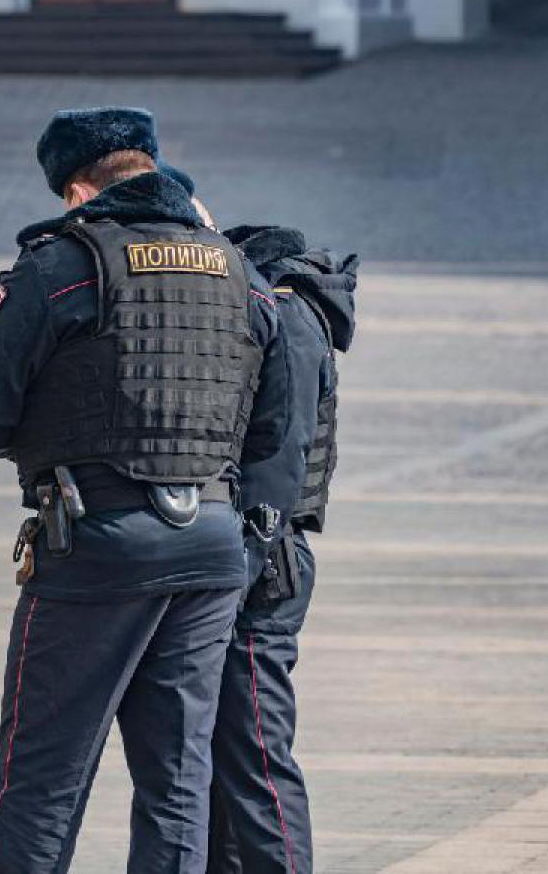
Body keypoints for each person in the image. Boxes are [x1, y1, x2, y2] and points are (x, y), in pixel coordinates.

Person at [0, 107, 290, 874]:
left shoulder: (61, 266)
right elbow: (271, 424)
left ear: (75, 191)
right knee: (178, 780)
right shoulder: (239, 271)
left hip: (96, 544)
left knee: (42, 778)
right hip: (212, 548)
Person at [205, 226, 358, 874]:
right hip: (256, 552)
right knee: (220, 759)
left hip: (267, 561)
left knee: (257, 756)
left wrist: (242, 566)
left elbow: (277, 459)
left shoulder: (290, 316)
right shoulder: (289, 310)